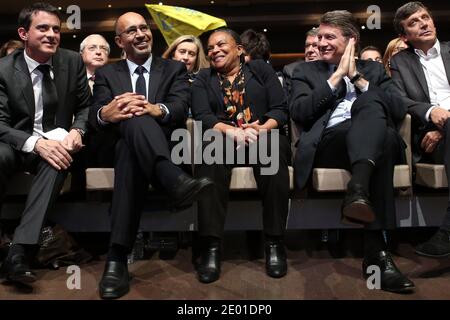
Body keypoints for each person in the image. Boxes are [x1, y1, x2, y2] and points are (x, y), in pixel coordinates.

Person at [89, 12, 213, 299]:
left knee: (133, 125)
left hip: (165, 145)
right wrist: (106, 113)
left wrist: (157, 109)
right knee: (128, 122)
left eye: (144, 28)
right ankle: (174, 182)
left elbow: (181, 107)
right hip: (119, 145)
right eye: (132, 31)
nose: (142, 34)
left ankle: (117, 257)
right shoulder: (107, 73)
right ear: (120, 41)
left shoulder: (173, 69)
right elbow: (95, 116)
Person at [290, 10, 414, 293]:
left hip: (375, 139)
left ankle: (358, 186)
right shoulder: (304, 71)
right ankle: (378, 254)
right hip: (333, 141)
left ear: (351, 41)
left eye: (329, 37)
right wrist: (336, 79)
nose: (320, 42)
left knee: (370, 104)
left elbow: (398, 109)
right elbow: (299, 112)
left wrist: (356, 77)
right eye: (319, 36)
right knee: (379, 136)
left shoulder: (373, 70)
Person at [191, 28, 291, 284]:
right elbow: (203, 116)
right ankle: (211, 248)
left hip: (260, 134)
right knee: (209, 155)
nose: (214, 50)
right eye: (210, 47)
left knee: (273, 152)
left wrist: (261, 128)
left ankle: (274, 243)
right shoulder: (203, 78)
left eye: (221, 44)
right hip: (224, 138)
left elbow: (280, 111)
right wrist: (231, 132)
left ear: (239, 49)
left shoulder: (261, 70)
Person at [0, 2, 90, 284]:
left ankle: (19, 252)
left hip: (57, 142)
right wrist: (35, 144)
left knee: (58, 158)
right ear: (23, 33)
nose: (52, 34)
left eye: (56, 28)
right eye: (43, 28)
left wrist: (78, 129)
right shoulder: (3, 69)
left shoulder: (72, 61)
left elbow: (86, 106)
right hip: (17, 142)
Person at [391, 1, 450, 258]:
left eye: (425, 17)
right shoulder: (400, 62)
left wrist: (445, 126)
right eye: (414, 22)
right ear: (404, 36)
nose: (424, 23)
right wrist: (430, 112)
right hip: (429, 141)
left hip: (442, 134)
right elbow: (398, 98)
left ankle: (447, 231)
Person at [282, 28, 320, 99]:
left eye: (315, 45)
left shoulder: (334, 68)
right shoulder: (291, 71)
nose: (309, 50)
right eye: (307, 46)